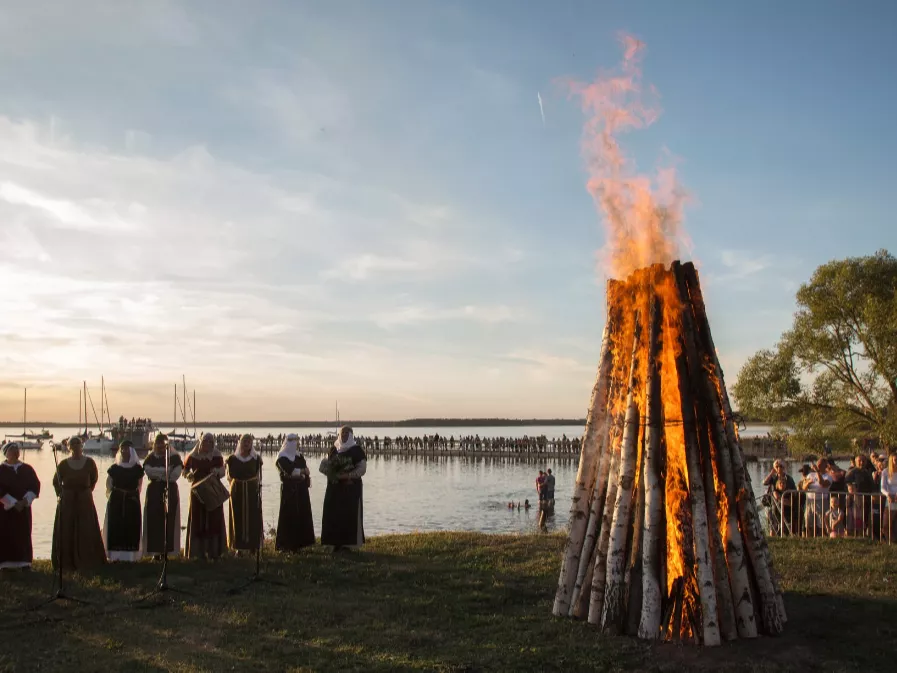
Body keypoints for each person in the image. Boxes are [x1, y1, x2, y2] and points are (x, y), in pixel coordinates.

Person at [51, 436, 106, 570]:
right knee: (67, 528)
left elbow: (93, 479)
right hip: (67, 500)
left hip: (84, 500)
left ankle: (88, 560)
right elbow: (56, 482)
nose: (76, 447)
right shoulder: (63, 464)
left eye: (78, 444)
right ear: (69, 447)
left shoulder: (89, 463)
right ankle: (66, 561)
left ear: (82, 446)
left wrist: (86, 492)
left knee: (86, 528)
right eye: (73, 444)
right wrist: (61, 494)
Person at [319, 426, 366, 552]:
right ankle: (333, 543)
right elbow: (324, 464)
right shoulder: (333, 449)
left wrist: (348, 475)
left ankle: (349, 545)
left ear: (351, 435)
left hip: (350, 488)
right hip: (334, 488)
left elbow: (362, 469)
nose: (344, 435)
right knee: (333, 514)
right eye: (342, 432)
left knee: (349, 515)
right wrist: (332, 474)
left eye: (347, 433)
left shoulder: (356, 450)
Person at [183, 432, 227, 559]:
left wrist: (217, 472)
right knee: (198, 519)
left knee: (214, 518)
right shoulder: (192, 456)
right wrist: (188, 475)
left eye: (210, 442)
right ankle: (197, 552)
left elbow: (223, 471)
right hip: (197, 490)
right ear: (200, 443)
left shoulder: (217, 456)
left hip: (213, 489)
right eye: (205, 442)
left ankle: (214, 552)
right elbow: (185, 470)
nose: (207, 444)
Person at [0, 442, 40, 570]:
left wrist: (24, 501)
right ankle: (5, 563)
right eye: (12, 449)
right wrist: (12, 503)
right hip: (5, 511)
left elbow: (34, 485)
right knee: (5, 534)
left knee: (23, 533)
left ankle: (24, 562)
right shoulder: (1, 469)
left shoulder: (27, 469)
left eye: (17, 449)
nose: (16, 451)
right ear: (6, 453)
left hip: (23, 509)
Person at [142, 433, 183, 557]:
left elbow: (175, 475)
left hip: (170, 490)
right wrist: (164, 472)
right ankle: (155, 552)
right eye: (157, 445)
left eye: (162, 445)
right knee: (154, 520)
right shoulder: (150, 458)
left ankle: (168, 551)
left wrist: (160, 473)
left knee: (169, 519)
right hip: (154, 491)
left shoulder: (175, 458)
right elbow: (148, 471)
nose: (160, 447)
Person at [103, 440, 144, 562]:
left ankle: (130, 558)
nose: (125, 451)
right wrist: (113, 496)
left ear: (131, 451)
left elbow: (139, 485)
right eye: (123, 449)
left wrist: (132, 496)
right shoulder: (114, 468)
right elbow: (109, 485)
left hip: (131, 502)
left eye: (127, 449)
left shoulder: (137, 469)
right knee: (115, 527)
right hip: (116, 502)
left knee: (130, 528)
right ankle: (115, 556)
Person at [275, 433, 315, 552]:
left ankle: (300, 544)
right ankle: (286, 545)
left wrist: (302, 472)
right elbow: (291, 471)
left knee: (301, 515)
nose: (294, 443)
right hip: (290, 490)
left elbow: (306, 470)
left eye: (296, 440)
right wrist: (302, 471)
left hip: (301, 489)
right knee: (289, 516)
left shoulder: (299, 456)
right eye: (291, 440)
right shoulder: (281, 457)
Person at [226, 434, 263, 554]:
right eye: (244, 441)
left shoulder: (256, 459)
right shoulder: (232, 459)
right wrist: (236, 485)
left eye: (249, 441)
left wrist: (255, 487)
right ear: (240, 442)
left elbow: (258, 476)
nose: (246, 443)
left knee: (253, 518)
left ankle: (253, 546)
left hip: (252, 491)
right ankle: (239, 548)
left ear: (251, 444)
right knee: (237, 517)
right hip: (237, 491)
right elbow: (228, 476)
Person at [763, 459, 798, 536]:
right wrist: (771, 473)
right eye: (777, 466)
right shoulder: (773, 478)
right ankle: (773, 538)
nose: (779, 468)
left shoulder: (789, 479)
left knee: (785, 525)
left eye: (781, 466)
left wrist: (787, 500)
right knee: (773, 525)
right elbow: (764, 482)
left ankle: (786, 536)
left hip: (786, 506)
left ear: (784, 467)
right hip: (774, 505)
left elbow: (794, 491)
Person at [880, 453, 897, 543]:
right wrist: (888, 494)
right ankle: (891, 542)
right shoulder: (885, 472)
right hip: (890, 500)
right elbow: (882, 487)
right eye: (895, 460)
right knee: (887, 524)